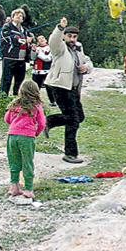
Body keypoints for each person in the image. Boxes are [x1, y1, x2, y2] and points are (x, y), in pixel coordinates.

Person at [45, 18, 93, 164]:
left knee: (80, 117)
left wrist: (87, 67)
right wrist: (60, 27)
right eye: (69, 36)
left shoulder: (78, 48)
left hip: (73, 88)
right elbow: (53, 40)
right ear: (64, 36)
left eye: (74, 36)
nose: (72, 39)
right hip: (60, 86)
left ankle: (49, 121)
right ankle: (70, 153)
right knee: (73, 119)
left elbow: (87, 61)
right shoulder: (59, 48)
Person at [3, 80, 46, 199]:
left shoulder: (14, 104)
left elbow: (7, 119)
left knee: (14, 161)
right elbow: (42, 123)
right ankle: (28, 189)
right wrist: (35, 132)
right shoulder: (36, 106)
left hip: (12, 136)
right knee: (27, 162)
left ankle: (14, 186)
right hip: (27, 137)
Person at [0, 8, 32, 96]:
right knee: (6, 80)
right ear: (12, 17)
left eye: (21, 16)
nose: (19, 17)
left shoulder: (24, 30)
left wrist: (30, 41)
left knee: (19, 80)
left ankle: (16, 98)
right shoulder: (7, 26)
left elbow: (29, 39)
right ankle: (2, 98)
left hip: (21, 59)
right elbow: (6, 36)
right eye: (17, 15)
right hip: (10, 57)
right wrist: (18, 39)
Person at [30, 35, 55, 105]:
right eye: (39, 39)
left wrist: (38, 54)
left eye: (42, 38)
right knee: (35, 86)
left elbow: (48, 58)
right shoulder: (37, 48)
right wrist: (33, 50)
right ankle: (33, 100)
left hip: (47, 70)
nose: (41, 40)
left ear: (46, 40)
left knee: (49, 86)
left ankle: (53, 101)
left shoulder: (50, 48)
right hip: (37, 70)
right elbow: (32, 58)